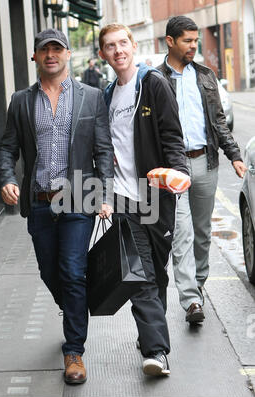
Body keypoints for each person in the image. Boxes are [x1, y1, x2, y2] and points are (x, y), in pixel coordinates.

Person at [0, 28, 114, 385]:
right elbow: (7, 149)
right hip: (39, 202)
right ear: (34, 57)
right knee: (51, 272)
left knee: (72, 272)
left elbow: (103, 150)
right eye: (44, 49)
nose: (51, 54)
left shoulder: (91, 97)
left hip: (78, 199)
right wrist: (7, 179)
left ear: (66, 54)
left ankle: (74, 351)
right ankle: (74, 307)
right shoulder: (20, 101)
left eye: (57, 48)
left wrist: (105, 195)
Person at [99, 23, 188, 376]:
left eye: (123, 43)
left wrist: (179, 173)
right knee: (141, 276)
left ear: (134, 46)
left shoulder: (152, 84)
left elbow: (171, 135)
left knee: (158, 271)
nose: (118, 50)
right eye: (110, 45)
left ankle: (153, 331)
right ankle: (156, 351)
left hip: (156, 197)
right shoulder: (106, 95)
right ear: (103, 54)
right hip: (123, 200)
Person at [157, 16, 247, 323]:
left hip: (205, 162)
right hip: (173, 168)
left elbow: (218, 121)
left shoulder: (206, 75)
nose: (194, 46)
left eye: (196, 41)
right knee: (181, 234)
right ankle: (192, 300)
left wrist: (233, 154)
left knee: (202, 233)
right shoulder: (155, 79)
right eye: (188, 41)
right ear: (170, 41)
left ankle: (199, 282)